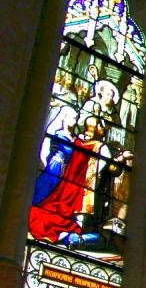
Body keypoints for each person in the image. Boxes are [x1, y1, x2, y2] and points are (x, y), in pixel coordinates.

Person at [28, 115, 128, 249]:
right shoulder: (96, 146)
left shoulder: (81, 142)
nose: (103, 128)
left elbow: (105, 166)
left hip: (75, 186)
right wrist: (121, 159)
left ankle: (78, 236)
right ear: (92, 128)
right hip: (78, 185)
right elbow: (109, 166)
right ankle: (78, 236)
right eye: (99, 125)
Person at [32, 106, 77, 205]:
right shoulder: (58, 134)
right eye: (73, 118)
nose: (75, 121)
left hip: (65, 168)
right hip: (55, 165)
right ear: (64, 118)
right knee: (47, 187)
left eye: (76, 118)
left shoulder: (73, 137)